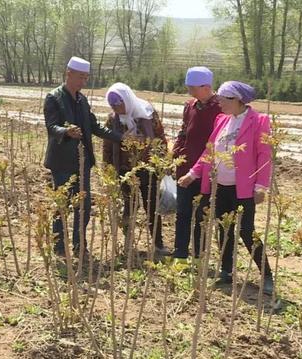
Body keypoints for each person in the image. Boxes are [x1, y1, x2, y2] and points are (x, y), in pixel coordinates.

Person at [177, 80, 275, 295]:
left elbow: (264, 155)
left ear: (236, 100)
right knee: (224, 227)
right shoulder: (222, 120)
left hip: (243, 188)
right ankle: (226, 271)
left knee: (247, 231)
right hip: (219, 186)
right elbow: (209, 152)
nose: (219, 102)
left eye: (222, 99)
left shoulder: (259, 121)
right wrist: (193, 174)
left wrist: (261, 186)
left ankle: (267, 275)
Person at [43, 56, 124, 257]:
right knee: (63, 203)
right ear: (68, 73)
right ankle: (59, 245)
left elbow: (94, 126)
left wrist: (121, 138)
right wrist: (66, 132)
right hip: (61, 161)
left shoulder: (82, 100)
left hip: (82, 161)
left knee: (84, 205)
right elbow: (51, 127)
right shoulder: (54, 98)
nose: (83, 82)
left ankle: (80, 246)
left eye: (86, 78)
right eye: (80, 77)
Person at [102, 82, 171, 255]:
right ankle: (127, 242)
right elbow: (108, 145)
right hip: (124, 169)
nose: (117, 109)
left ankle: (158, 244)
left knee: (151, 206)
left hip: (148, 167)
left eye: (119, 104)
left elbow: (160, 138)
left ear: (128, 99)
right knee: (129, 205)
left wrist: (162, 162)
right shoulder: (112, 120)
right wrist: (108, 167)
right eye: (113, 106)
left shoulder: (147, 114)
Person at [172, 66, 222, 259]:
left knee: (202, 214)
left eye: (193, 88)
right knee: (182, 212)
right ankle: (180, 252)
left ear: (207, 87)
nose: (190, 91)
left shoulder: (220, 108)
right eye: (188, 87)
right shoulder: (190, 106)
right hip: (185, 167)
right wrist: (176, 154)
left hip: (207, 170)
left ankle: (199, 254)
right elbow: (183, 132)